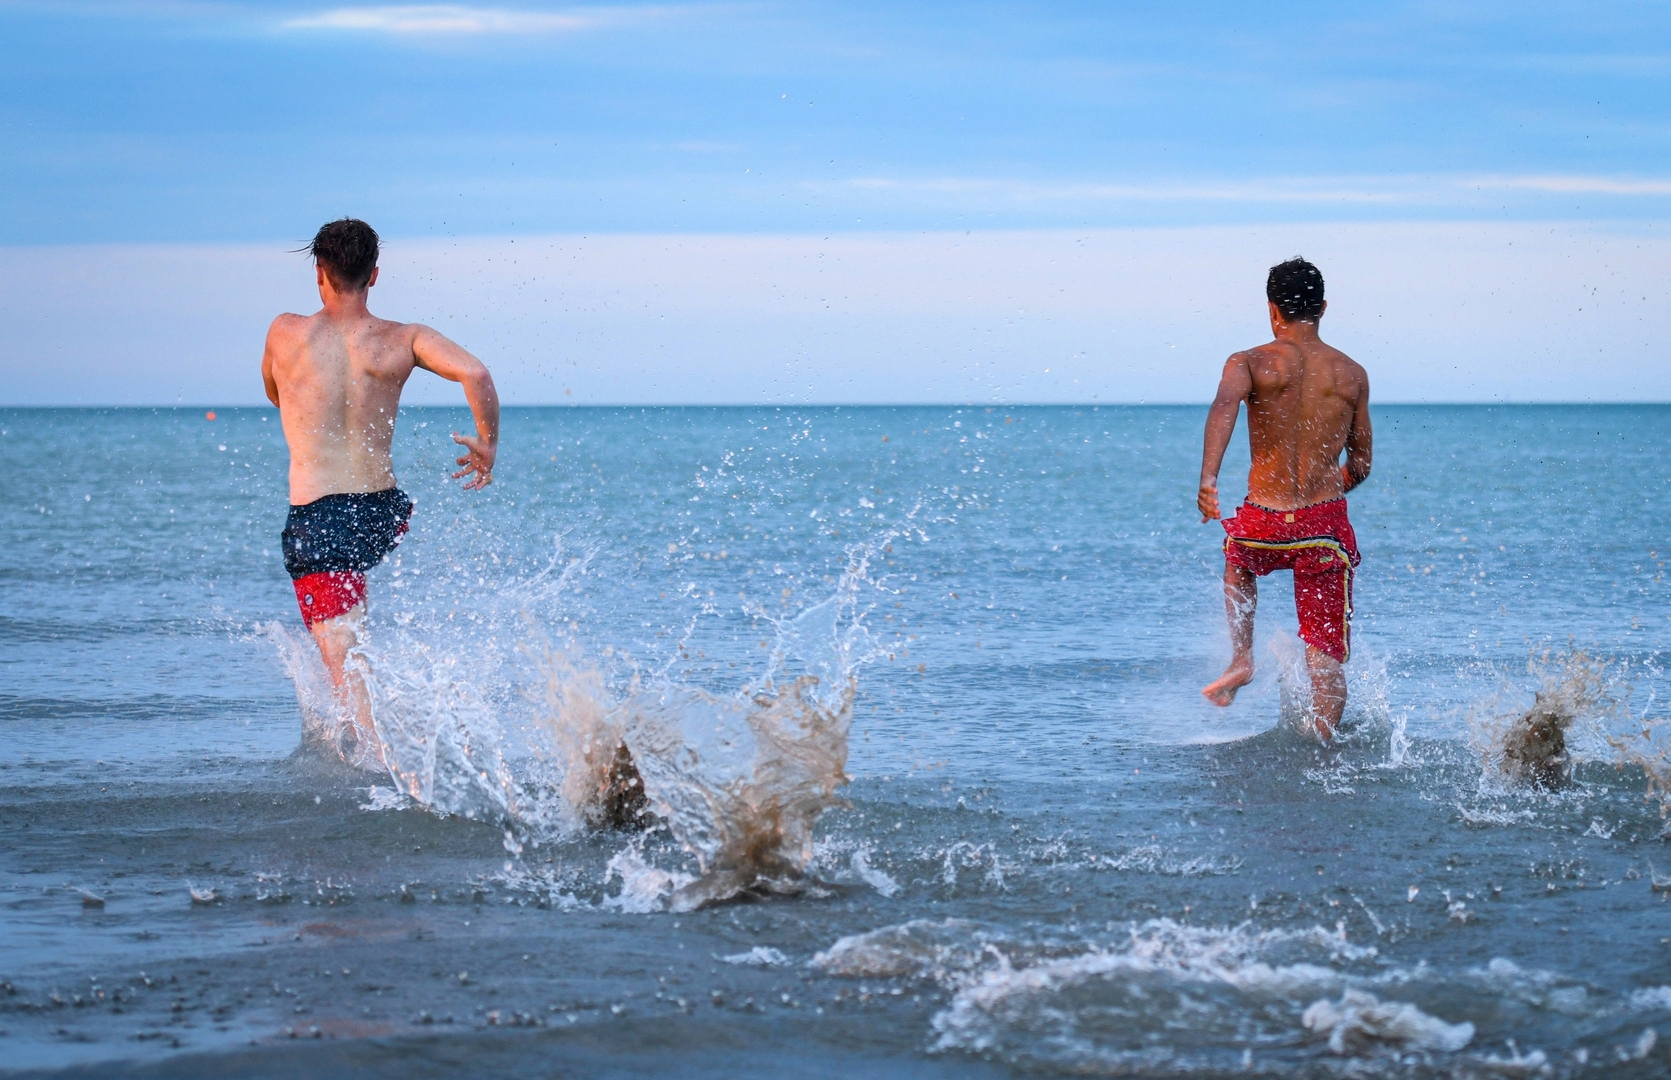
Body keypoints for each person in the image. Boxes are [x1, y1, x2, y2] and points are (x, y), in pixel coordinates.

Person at [262, 218, 500, 761]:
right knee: (351, 640)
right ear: (373, 275)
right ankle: (406, 735)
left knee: (344, 670)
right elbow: (477, 375)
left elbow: (275, 393)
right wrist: (486, 446)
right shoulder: (403, 339)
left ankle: (385, 769)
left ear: (318, 273)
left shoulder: (284, 332)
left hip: (321, 522)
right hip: (381, 513)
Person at [1196, 257, 1371, 740]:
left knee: (1239, 558)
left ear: (1272, 310)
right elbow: (1361, 465)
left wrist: (1209, 479)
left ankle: (1241, 658)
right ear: (1324, 308)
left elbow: (1224, 406)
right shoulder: (1351, 374)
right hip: (1324, 529)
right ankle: (1323, 746)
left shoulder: (1249, 362)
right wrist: (1325, 491)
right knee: (1324, 655)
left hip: (1265, 523)